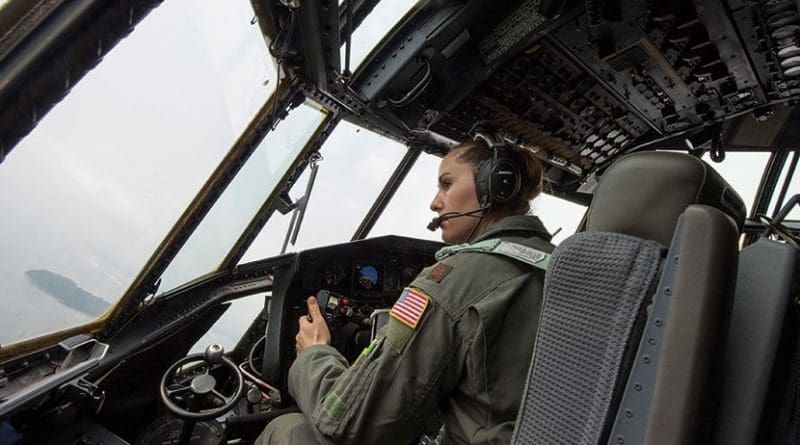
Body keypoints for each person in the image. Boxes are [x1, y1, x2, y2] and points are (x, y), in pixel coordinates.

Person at [256, 137, 554, 444]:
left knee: (287, 430)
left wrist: (314, 354)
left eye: (446, 184)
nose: (435, 202)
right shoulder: (562, 270)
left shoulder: (454, 280)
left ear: (495, 186)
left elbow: (351, 424)